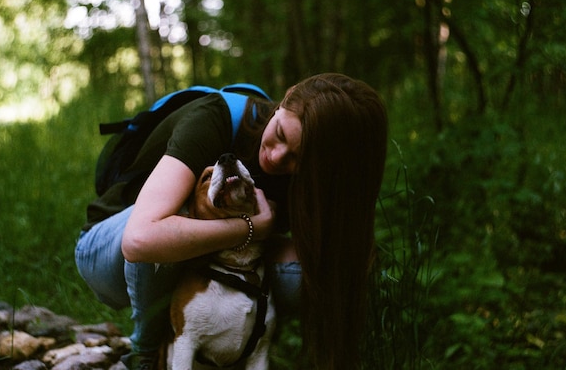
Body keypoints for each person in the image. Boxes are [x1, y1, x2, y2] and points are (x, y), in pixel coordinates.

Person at [75, 73, 388, 370]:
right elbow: (140, 239)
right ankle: (145, 351)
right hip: (107, 252)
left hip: (202, 259)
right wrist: (253, 229)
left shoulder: (319, 179)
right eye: (279, 134)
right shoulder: (214, 119)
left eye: (297, 159)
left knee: (321, 272)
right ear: (285, 99)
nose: (276, 158)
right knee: (171, 221)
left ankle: (243, 351)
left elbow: (334, 266)